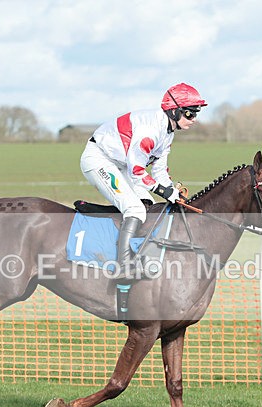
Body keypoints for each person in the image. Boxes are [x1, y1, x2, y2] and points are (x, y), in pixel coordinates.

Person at [80, 82, 207, 274]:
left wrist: (172, 191)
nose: (194, 119)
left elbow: (159, 171)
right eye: (190, 113)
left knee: (147, 204)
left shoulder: (167, 132)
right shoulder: (150, 131)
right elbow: (138, 172)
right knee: (136, 209)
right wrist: (164, 191)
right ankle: (124, 266)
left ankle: (138, 253)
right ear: (174, 111)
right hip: (99, 160)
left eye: (196, 113)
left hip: (121, 164)